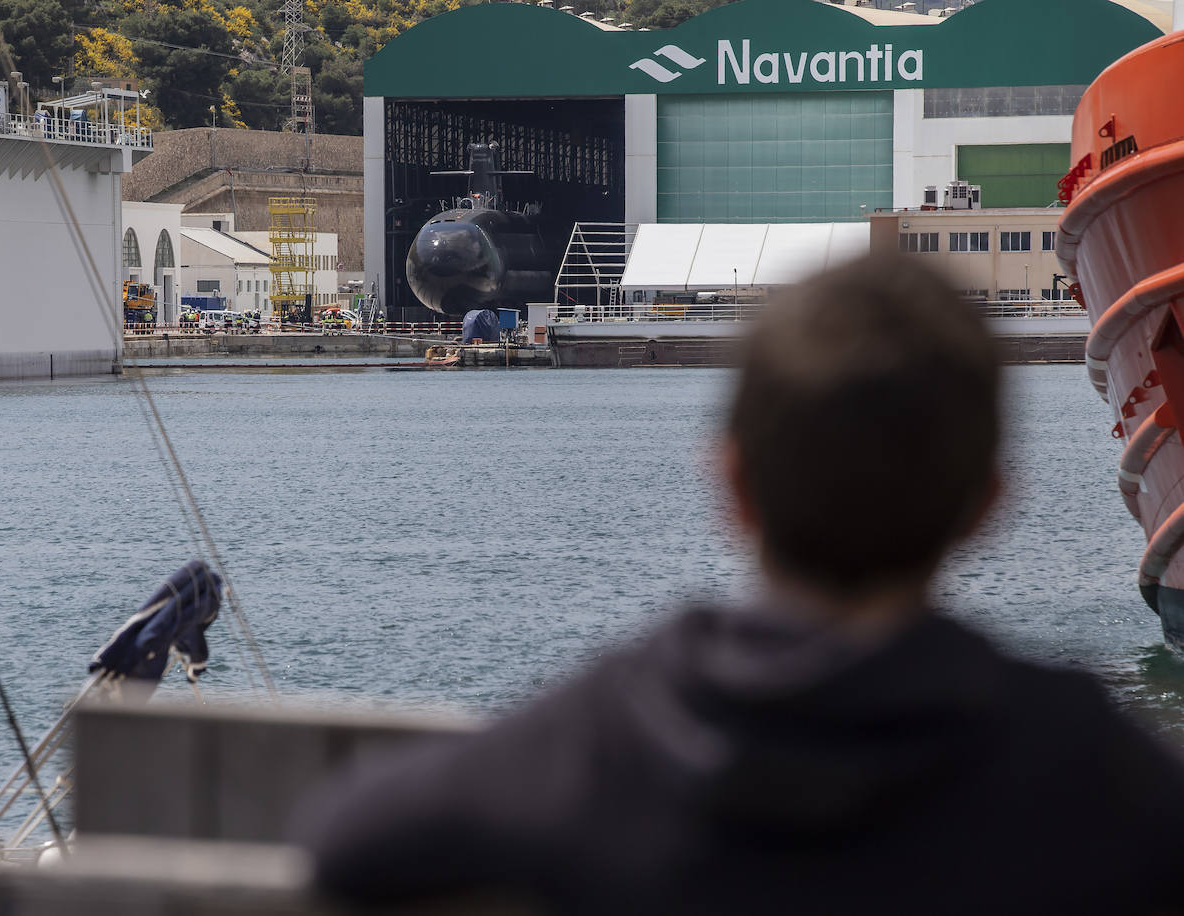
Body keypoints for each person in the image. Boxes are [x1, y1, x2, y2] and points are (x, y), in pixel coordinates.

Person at [292, 254, 1184, 915]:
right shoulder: (1088, 773)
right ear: (986, 505)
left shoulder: (604, 742)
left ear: (733, 485)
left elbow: (349, 843)